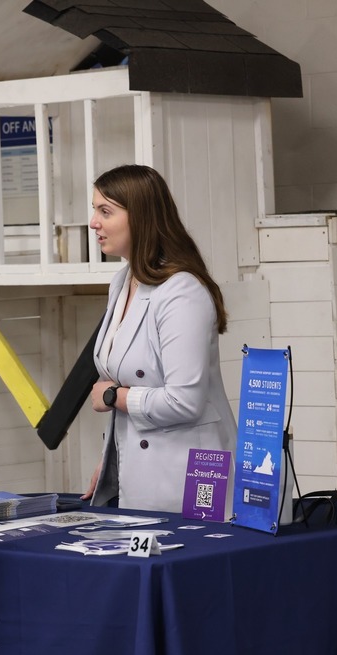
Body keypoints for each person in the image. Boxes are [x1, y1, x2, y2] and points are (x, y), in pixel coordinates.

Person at [81, 165, 236, 513]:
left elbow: (184, 401)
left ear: (141, 218)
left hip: (189, 479)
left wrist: (112, 395)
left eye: (105, 211)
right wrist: (111, 466)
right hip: (138, 478)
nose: (94, 223)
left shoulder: (182, 292)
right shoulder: (121, 282)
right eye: (95, 210)